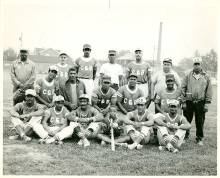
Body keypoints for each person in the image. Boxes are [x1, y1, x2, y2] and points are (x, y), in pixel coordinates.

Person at [181, 57, 212, 146]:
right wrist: (183, 101)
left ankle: (199, 138)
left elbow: (209, 90)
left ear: (201, 65)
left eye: (198, 64)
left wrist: (207, 103)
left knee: (200, 121)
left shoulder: (206, 76)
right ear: (193, 65)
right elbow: (183, 88)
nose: (197, 66)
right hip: (189, 101)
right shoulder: (188, 75)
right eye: (195, 64)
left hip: (200, 102)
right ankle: (185, 136)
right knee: (186, 120)